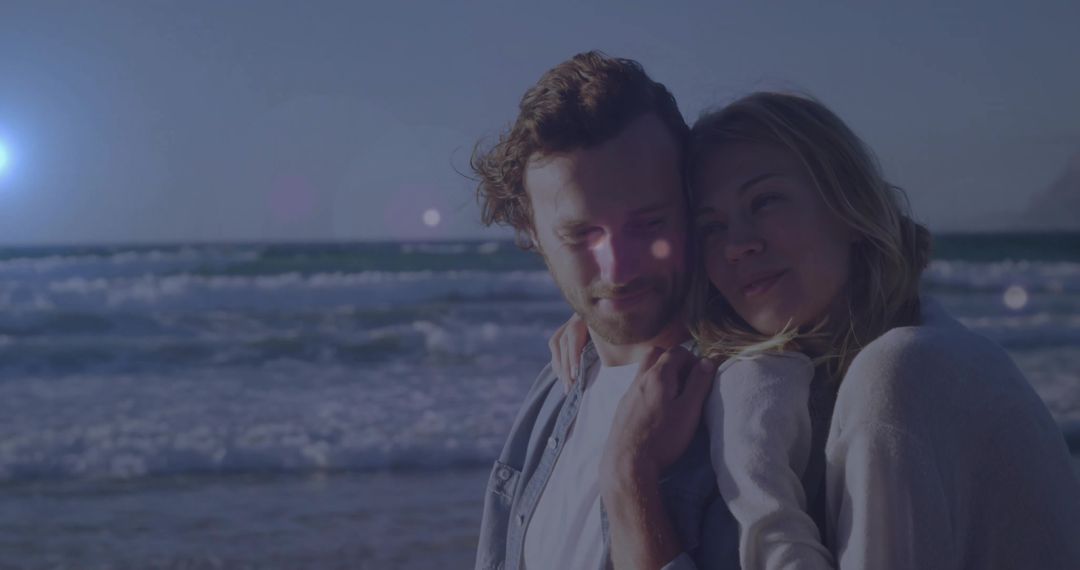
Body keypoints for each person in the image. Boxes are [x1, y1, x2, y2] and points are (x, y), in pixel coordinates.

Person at [550, 91, 1080, 568]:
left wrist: (628, 476)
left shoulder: (903, 373)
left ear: (848, 207)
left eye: (765, 202)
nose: (738, 244)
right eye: (712, 227)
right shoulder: (872, 354)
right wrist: (605, 316)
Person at [470, 52, 836, 570]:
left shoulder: (757, 399)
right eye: (581, 234)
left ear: (689, 203)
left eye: (648, 223)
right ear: (531, 235)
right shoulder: (557, 385)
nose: (619, 267)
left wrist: (628, 476)